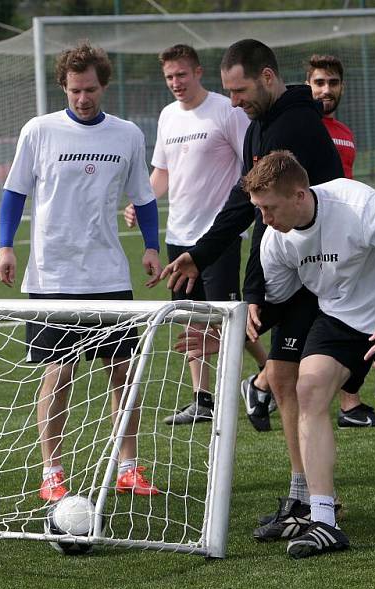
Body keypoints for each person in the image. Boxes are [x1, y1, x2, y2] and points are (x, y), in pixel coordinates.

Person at [159, 39, 345, 541]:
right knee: (284, 383)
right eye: (228, 93)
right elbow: (247, 207)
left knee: (306, 389)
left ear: (266, 76)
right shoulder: (259, 128)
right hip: (286, 277)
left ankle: (321, 505)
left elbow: (269, 218)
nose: (234, 101)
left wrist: (253, 288)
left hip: (318, 278)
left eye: (239, 90)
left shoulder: (297, 126)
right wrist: (199, 255)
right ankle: (302, 496)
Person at [245, 150, 375, 558]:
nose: (264, 220)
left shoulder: (356, 204)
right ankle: (324, 521)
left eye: (269, 208)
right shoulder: (276, 240)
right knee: (310, 390)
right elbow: (281, 303)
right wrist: (236, 325)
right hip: (340, 318)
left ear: (300, 195)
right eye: (259, 209)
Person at [0, 42, 162, 502]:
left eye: (89, 90)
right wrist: (5, 247)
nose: (82, 98)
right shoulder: (39, 130)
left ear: (103, 85)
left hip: (108, 274)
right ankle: (52, 471)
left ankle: (128, 466)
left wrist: (151, 247)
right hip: (52, 276)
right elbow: (14, 194)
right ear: (63, 88)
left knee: (123, 372)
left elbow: (144, 197)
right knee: (58, 373)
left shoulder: (126, 134)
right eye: (74, 91)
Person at [123, 43, 273, 429]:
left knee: (226, 318)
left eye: (181, 75)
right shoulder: (168, 116)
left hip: (217, 237)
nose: (175, 83)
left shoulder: (226, 110)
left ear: (198, 72)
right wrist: (141, 201)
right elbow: (161, 174)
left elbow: (251, 163)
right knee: (190, 319)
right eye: (169, 77)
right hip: (180, 234)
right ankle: (202, 399)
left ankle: (270, 375)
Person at [305, 54, 375, 429]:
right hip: (312, 241)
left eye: (332, 82)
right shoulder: (303, 126)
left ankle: (351, 402)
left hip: (346, 236)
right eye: (319, 82)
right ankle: (265, 383)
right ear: (307, 85)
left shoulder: (345, 131)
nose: (326, 90)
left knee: (354, 311)